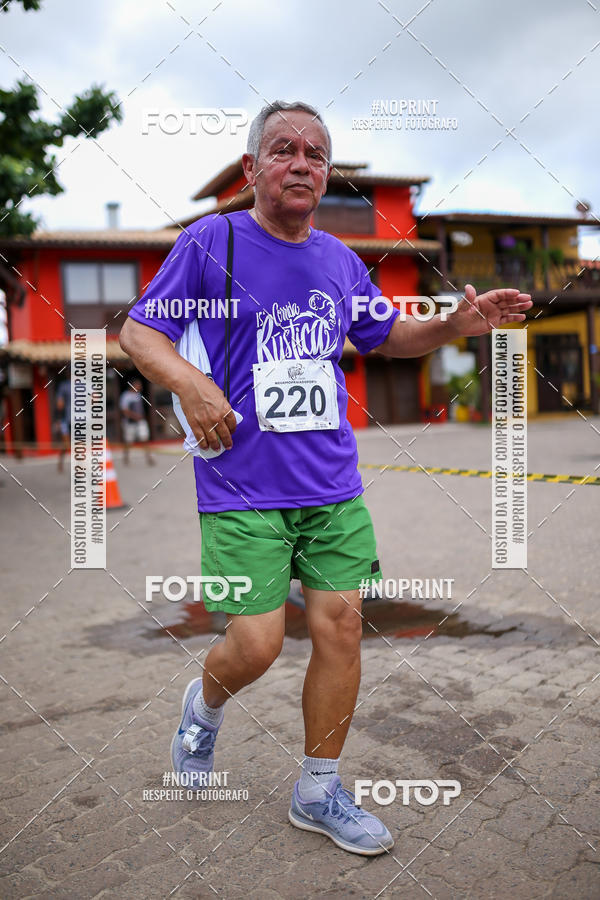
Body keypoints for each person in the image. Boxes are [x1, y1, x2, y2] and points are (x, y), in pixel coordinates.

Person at [119, 100, 532, 856]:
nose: (302, 163)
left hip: (333, 486)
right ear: (252, 169)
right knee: (256, 645)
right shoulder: (213, 242)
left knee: (340, 626)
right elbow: (140, 332)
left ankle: (318, 788)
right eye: (284, 149)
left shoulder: (340, 260)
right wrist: (191, 384)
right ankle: (203, 708)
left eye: (316, 153)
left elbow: (388, 333)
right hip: (241, 487)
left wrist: (453, 324)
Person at [119, 377, 154, 465]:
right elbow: (124, 410)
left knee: (144, 438)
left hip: (140, 421)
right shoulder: (126, 396)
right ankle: (126, 457)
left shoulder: (138, 395)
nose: (140, 386)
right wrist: (135, 416)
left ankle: (149, 458)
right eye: (138, 385)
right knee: (128, 441)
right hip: (130, 422)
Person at [54, 378, 71, 472]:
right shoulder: (64, 386)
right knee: (66, 444)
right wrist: (58, 420)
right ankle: (60, 463)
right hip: (66, 420)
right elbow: (59, 405)